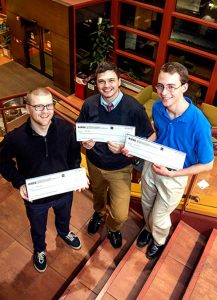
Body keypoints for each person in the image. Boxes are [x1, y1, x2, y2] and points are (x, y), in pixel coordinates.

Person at [0, 87, 86, 273]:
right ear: (28, 108)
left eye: (49, 105)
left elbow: (74, 155)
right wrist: (19, 181)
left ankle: (64, 232)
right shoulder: (16, 138)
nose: (45, 111)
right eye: (39, 107)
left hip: (64, 191)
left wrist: (75, 174)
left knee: (64, 217)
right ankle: (40, 249)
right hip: (36, 197)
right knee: (38, 227)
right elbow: (2, 160)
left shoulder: (66, 129)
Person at [136, 62, 214, 259]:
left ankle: (159, 240)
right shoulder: (157, 107)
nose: (164, 92)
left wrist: (173, 174)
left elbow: (207, 164)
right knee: (146, 204)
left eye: (171, 86)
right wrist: (141, 146)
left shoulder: (199, 124)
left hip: (174, 175)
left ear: (185, 87)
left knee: (160, 216)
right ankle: (147, 228)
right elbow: (157, 132)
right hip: (152, 165)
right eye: (160, 86)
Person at [77, 61, 155, 248]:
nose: (106, 86)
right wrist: (83, 141)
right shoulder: (89, 104)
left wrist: (127, 147)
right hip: (94, 163)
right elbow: (80, 129)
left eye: (111, 80)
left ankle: (113, 228)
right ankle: (99, 213)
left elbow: (150, 136)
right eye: (101, 81)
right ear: (97, 84)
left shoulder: (134, 108)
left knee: (121, 213)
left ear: (119, 81)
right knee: (98, 194)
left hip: (120, 168)